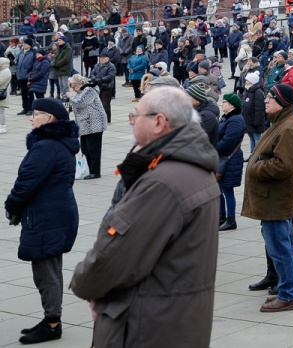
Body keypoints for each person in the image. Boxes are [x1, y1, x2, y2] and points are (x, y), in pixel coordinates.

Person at [70, 87, 220, 347]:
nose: (131, 120)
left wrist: (86, 285)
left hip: (147, 327)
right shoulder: (188, 167)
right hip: (173, 319)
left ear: (159, 122)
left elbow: (114, 257)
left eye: (135, 115)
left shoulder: (163, 182)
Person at [5, 99, 78, 344]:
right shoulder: (58, 143)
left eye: (36, 114)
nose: (31, 117)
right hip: (57, 213)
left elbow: (26, 182)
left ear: (50, 120)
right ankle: (51, 317)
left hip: (47, 216)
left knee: (45, 273)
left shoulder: (46, 147)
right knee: (52, 270)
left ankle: (52, 324)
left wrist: (11, 205)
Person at [242, 84, 293, 312]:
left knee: (280, 249)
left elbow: (283, 165)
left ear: (281, 101)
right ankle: (291, 291)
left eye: (270, 98)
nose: (266, 101)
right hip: (274, 198)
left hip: (276, 200)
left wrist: (255, 167)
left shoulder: (288, 127)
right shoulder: (282, 122)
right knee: (284, 247)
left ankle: (289, 294)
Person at [65, 74, 108, 180]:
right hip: (85, 124)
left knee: (93, 149)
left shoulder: (89, 90)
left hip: (94, 123)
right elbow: (75, 104)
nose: (73, 89)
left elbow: (80, 102)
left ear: (79, 84)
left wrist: (71, 97)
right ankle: (88, 169)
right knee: (85, 149)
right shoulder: (81, 92)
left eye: (74, 86)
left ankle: (95, 172)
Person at [216, 93, 246, 231]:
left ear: (232, 105)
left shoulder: (235, 120)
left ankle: (231, 219)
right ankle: (221, 216)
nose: (222, 104)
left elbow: (228, 141)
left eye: (225, 102)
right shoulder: (227, 118)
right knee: (219, 189)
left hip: (230, 159)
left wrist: (214, 148)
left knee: (227, 190)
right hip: (224, 158)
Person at [90, 53, 116, 123]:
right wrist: (95, 79)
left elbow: (111, 76)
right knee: (97, 104)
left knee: (105, 104)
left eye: (103, 58)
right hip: (97, 87)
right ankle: (99, 118)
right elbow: (92, 74)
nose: (102, 59)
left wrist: (101, 79)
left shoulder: (111, 66)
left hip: (106, 87)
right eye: (101, 58)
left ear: (108, 59)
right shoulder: (97, 65)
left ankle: (107, 119)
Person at [0, 57, 10, 134]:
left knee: (1, 111)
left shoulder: (6, 71)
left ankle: (3, 127)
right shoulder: (2, 70)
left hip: (2, 94)